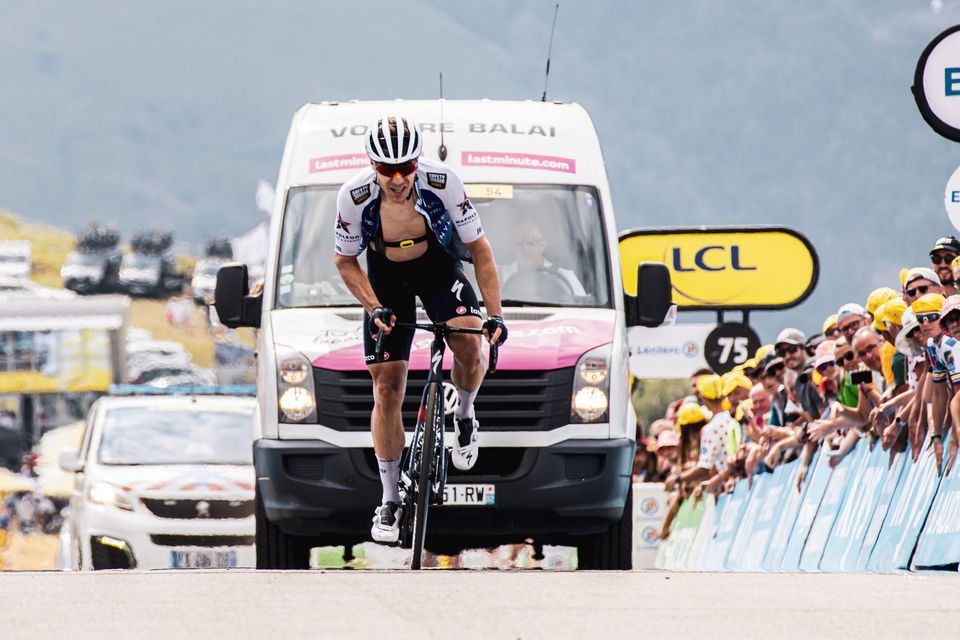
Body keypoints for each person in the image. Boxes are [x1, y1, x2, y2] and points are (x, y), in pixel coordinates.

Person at [333, 115, 508, 544]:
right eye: (385, 170)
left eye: (405, 168)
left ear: (418, 162)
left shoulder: (443, 181)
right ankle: (390, 498)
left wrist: (495, 314)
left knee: (468, 343)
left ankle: (464, 415)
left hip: (436, 267)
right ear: (371, 165)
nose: (395, 179)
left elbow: (480, 250)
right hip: (386, 277)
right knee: (387, 388)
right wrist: (373, 307)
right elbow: (345, 261)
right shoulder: (353, 197)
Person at [500, 221, 586, 298]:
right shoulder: (497, 276)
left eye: (531, 241)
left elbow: (582, 311)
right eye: (517, 241)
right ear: (511, 246)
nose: (524, 247)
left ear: (543, 245)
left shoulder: (565, 277)